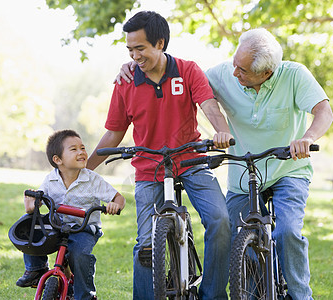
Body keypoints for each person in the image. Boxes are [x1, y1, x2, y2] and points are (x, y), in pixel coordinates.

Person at [116, 28, 333, 300]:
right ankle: (253, 294)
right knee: (236, 235)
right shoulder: (222, 74)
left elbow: (324, 111)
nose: (234, 73)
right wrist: (136, 64)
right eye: (234, 63)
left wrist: (307, 138)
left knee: (288, 231)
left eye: (241, 70)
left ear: (266, 73)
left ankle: (302, 296)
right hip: (244, 172)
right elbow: (181, 79)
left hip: (287, 169)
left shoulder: (294, 75)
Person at [86, 11, 233, 300]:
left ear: (160, 43)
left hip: (190, 160)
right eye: (129, 49)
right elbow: (114, 132)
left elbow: (209, 105)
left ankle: (213, 295)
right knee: (145, 244)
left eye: (140, 48)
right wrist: (86, 170)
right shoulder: (125, 82)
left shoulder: (188, 70)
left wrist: (221, 131)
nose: (134, 56)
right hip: (149, 166)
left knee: (221, 220)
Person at [16, 129, 126, 300]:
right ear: (57, 160)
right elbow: (37, 202)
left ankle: (85, 295)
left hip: (84, 228)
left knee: (79, 254)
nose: (81, 152)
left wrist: (114, 205)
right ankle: (36, 269)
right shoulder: (50, 179)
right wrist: (31, 205)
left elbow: (119, 198)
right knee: (30, 227)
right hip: (58, 225)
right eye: (74, 149)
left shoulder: (92, 179)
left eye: (82, 147)